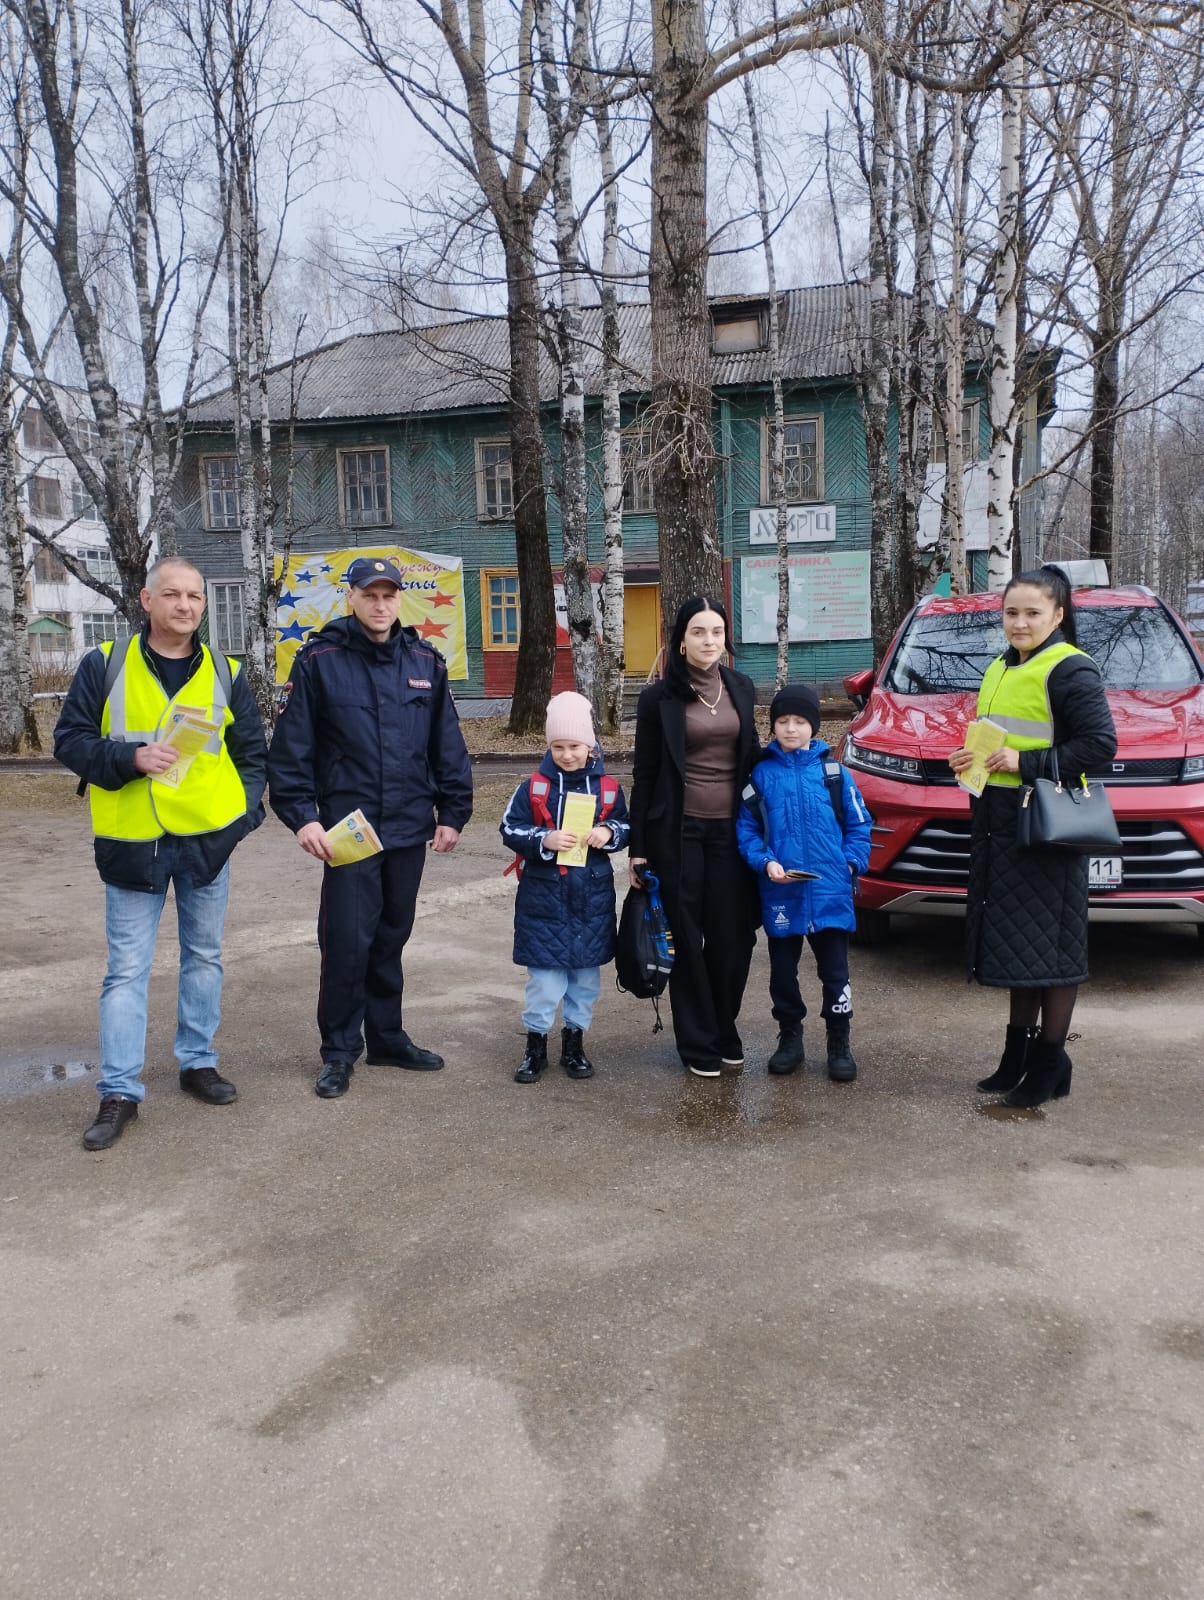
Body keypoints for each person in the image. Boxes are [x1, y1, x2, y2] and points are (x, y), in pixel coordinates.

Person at [54, 557, 267, 1151]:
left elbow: (252, 755)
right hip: (132, 843)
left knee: (205, 957)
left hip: (207, 841)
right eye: (171, 594)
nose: (185, 605)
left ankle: (197, 1063)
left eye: (194, 596)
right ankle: (120, 1091)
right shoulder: (106, 665)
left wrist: (241, 819)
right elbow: (69, 741)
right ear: (146, 601)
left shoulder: (227, 671)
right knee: (126, 970)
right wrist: (130, 758)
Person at [267, 555, 473, 1099]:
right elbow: (292, 751)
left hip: (408, 827)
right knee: (346, 942)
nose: (380, 605)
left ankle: (386, 1038)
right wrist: (302, 817)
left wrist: (453, 812)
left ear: (399, 600)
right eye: (370, 594)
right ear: (351, 598)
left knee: (390, 937)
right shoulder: (320, 661)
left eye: (389, 595)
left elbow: (446, 743)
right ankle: (339, 1051)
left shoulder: (426, 660)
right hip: (348, 831)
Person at [949, 564, 1117, 1107]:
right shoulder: (1002, 664)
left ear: (1058, 615)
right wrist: (969, 758)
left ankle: (1048, 1064)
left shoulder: (1070, 669)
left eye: (1031, 613)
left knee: (1054, 949)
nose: (1018, 623)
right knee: (1019, 948)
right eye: (1011, 612)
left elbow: (1100, 745)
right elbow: (999, 737)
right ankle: (1016, 1058)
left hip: (1046, 823)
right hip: (999, 820)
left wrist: (1027, 762)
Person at [627, 595, 761, 1078]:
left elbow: (752, 759)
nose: (709, 641)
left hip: (732, 832)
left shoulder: (742, 688)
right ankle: (698, 1041)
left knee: (734, 937)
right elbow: (644, 776)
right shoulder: (656, 698)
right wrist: (638, 849)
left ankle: (724, 1026)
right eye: (699, 632)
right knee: (685, 936)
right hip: (675, 835)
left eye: (717, 632)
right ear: (681, 640)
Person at [736, 684, 873, 1082]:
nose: (791, 729)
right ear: (772, 725)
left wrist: (851, 864)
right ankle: (789, 1036)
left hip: (831, 891)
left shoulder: (834, 774)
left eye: (800, 721)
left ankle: (839, 1038)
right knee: (782, 972)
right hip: (782, 890)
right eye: (783, 721)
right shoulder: (760, 776)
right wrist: (765, 862)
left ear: (814, 726)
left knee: (835, 972)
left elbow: (860, 825)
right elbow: (746, 830)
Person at [500, 691, 630, 1084]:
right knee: (544, 980)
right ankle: (535, 1044)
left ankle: (575, 1043)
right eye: (558, 746)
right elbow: (510, 827)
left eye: (574, 746)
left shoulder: (608, 789)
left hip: (591, 899)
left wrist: (608, 832)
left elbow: (626, 827)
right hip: (545, 901)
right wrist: (544, 839)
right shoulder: (534, 787)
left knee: (585, 981)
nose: (567, 754)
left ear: (590, 744)